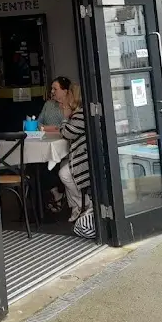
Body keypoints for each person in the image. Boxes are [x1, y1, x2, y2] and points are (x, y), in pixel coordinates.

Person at [56, 77, 91, 221]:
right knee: (63, 165)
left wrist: (65, 118)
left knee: (64, 174)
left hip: (85, 158)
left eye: (69, 94)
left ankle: (85, 203)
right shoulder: (80, 113)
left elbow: (66, 133)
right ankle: (76, 207)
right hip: (82, 155)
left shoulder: (80, 115)